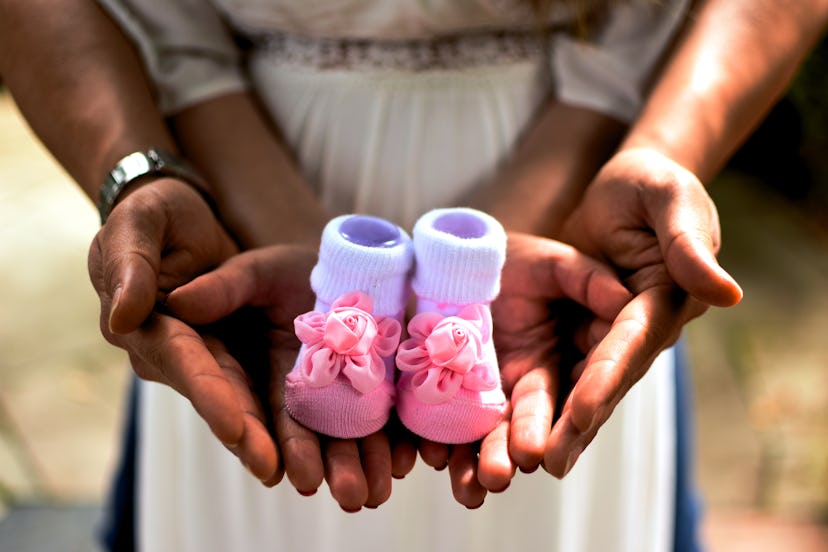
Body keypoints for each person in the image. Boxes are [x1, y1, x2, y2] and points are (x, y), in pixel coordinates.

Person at [2, 0, 825, 550]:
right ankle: (366, 294)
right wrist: (139, 173)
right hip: (232, 206)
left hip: (580, 179)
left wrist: (664, 148)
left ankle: (451, 299)